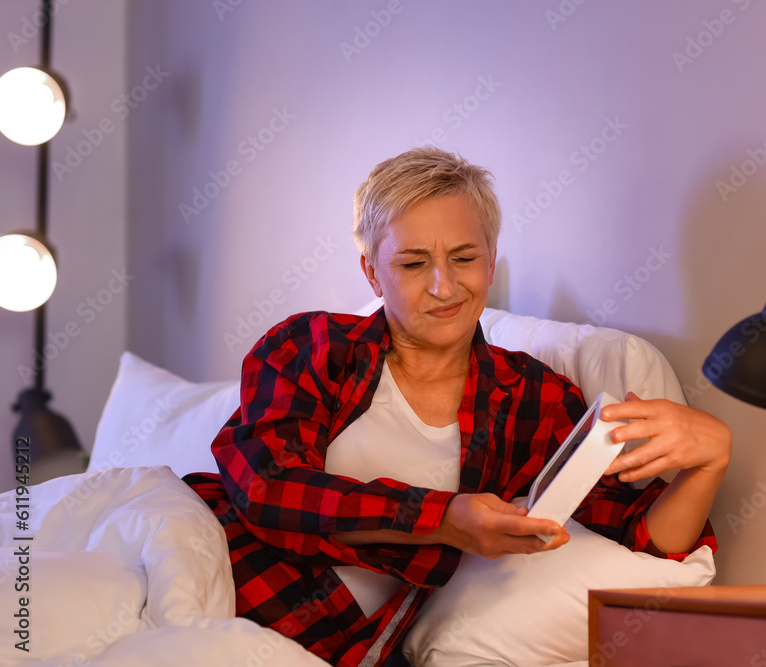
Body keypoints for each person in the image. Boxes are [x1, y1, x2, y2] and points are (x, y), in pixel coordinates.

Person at [184, 147, 731, 666]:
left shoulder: (531, 401)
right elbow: (267, 486)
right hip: (200, 561)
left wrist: (710, 461)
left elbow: (634, 540)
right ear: (372, 273)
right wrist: (442, 520)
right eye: (413, 264)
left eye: (464, 258)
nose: (444, 287)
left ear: (490, 262)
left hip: (319, 643)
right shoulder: (313, 346)